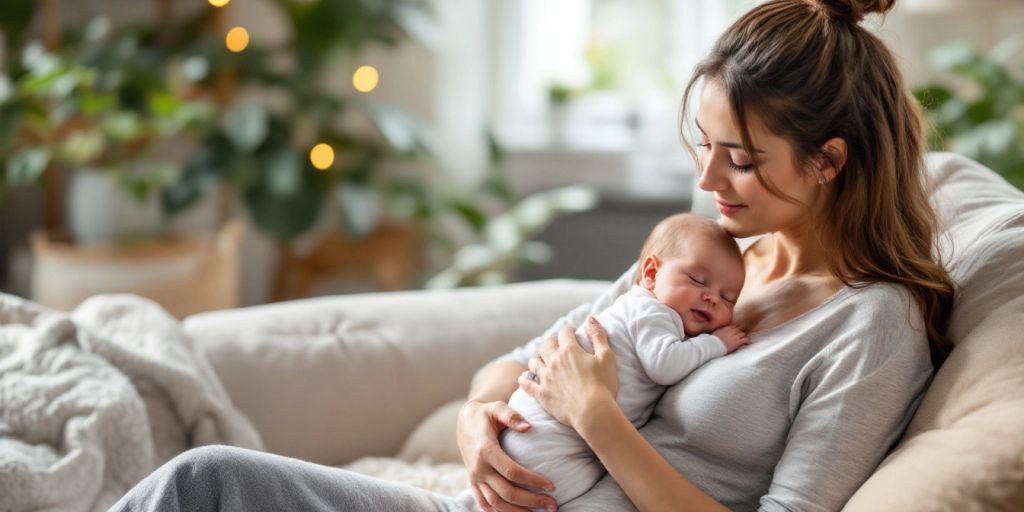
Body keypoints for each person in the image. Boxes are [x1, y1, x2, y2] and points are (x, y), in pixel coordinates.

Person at [110, 0, 956, 510]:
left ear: (830, 161)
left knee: (203, 490)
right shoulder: (715, 255)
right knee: (207, 485)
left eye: (740, 157)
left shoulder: (870, 328)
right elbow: (519, 364)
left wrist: (597, 420)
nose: (706, 177)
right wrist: (479, 427)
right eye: (705, 143)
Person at [502, 213, 750, 507]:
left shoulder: (644, 306)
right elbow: (665, 364)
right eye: (697, 280)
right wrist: (716, 343)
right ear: (651, 273)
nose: (711, 297)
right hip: (548, 440)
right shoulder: (654, 311)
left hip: (537, 434)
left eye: (728, 299)